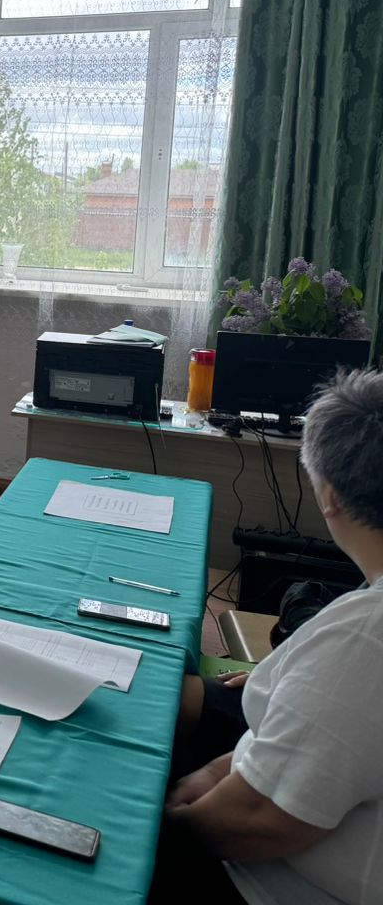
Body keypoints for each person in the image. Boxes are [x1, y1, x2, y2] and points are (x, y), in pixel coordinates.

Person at [158, 368, 383, 904]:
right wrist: (224, 767)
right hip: (275, 798)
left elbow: (256, 820)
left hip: (266, 883)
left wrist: (149, 829)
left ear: (329, 496)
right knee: (170, 698)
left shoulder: (364, 640)